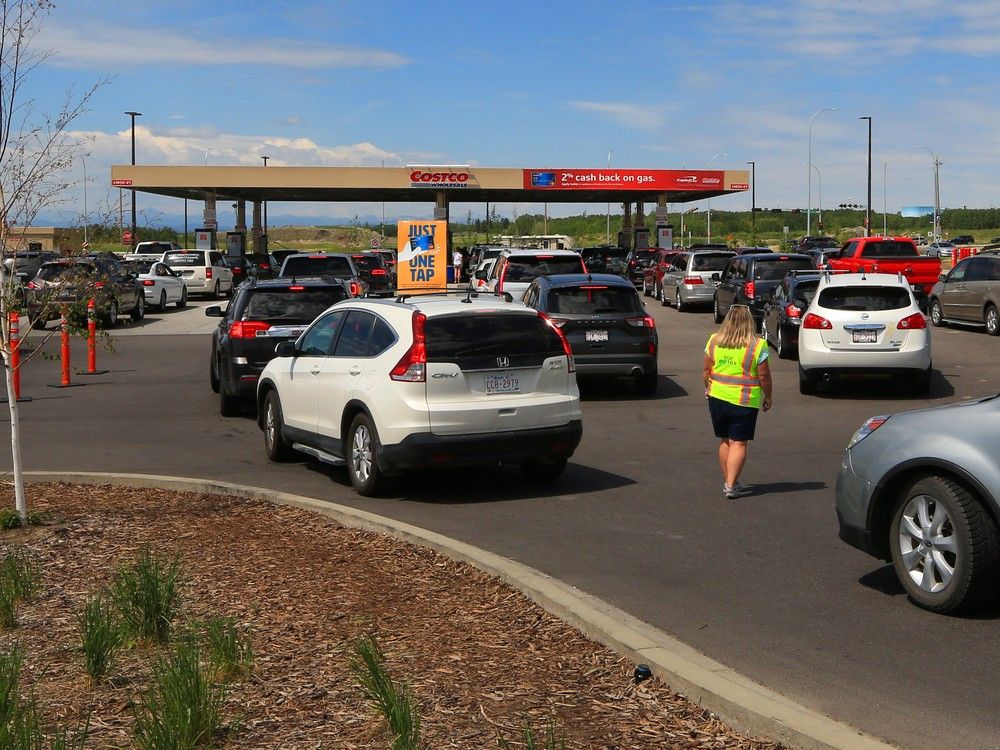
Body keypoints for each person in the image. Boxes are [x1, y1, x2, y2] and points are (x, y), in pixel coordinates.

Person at [702, 305, 772, 498]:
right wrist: (768, 396)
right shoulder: (757, 345)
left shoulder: (714, 340)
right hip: (744, 400)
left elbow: (707, 371)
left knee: (725, 441)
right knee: (739, 443)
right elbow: (764, 376)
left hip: (717, 397)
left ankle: (728, 481)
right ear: (749, 322)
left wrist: (707, 388)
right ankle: (731, 485)